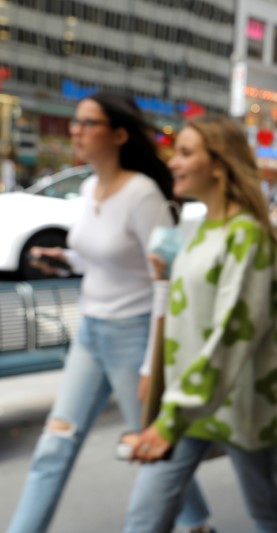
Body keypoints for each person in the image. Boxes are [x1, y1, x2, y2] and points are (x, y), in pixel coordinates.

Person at [8, 92, 213, 533]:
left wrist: (149, 365)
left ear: (119, 134)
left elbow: (164, 279)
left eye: (87, 123)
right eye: (76, 123)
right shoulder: (88, 188)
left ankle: (196, 525)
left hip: (134, 336)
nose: (76, 131)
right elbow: (103, 256)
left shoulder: (143, 196)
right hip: (91, 334)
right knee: (54, 444)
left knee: (152, 447)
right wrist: (63, 258)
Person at [123, 117, 277, 533]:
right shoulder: (198, 229)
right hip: (188, 404)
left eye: (185, 152)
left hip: (241, 403)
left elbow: (233, 331)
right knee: (144, 517)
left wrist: (168, 419)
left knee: (269, 513)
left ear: (218, 164)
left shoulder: (246, 235)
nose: (173, 162)